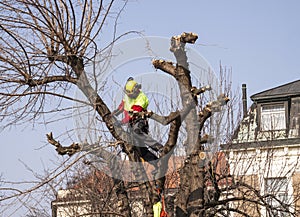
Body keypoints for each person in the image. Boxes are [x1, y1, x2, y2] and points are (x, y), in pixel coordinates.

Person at [112, 77, 163, 166]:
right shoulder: (127, 96)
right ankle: (157, 163)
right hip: (130, 124)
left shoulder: (141, 98)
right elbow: (123, 105)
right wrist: (116, 112)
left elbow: (132, 115)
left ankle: (158, 147)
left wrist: (121, 122)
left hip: (139, 121)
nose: (129, 96)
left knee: (137, 131)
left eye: (130, 94)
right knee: (140, 150)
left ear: (136, 90)